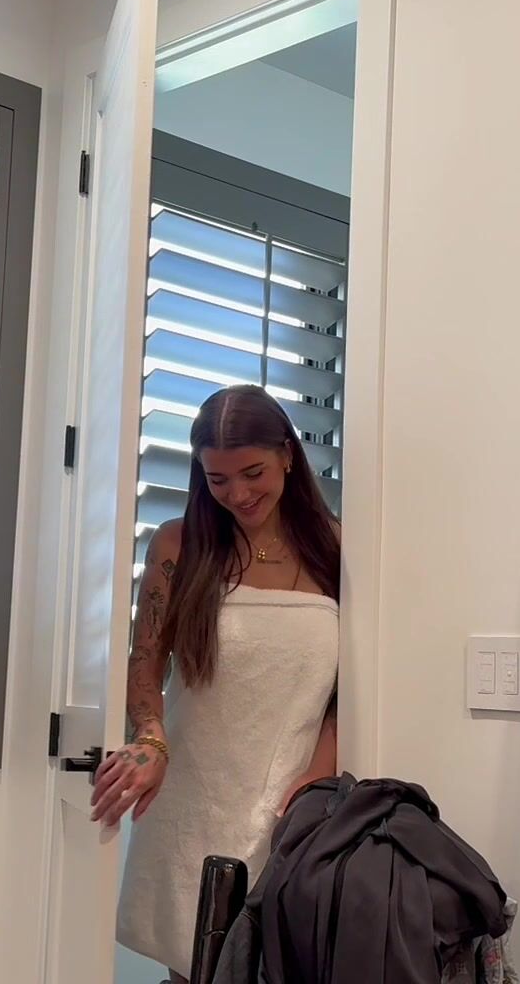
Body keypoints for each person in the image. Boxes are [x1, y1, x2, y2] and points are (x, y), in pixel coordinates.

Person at [94, 384, 342, 983]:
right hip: (193, 796)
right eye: (218, 479)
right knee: (194, 964)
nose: (238, 494)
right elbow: (145, 660)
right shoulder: (178, 544)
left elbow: (350, 688)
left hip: (291, 800)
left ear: (288, 455)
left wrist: (317, 781)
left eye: (253, 473)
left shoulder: (338, 547)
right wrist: (149, 736)